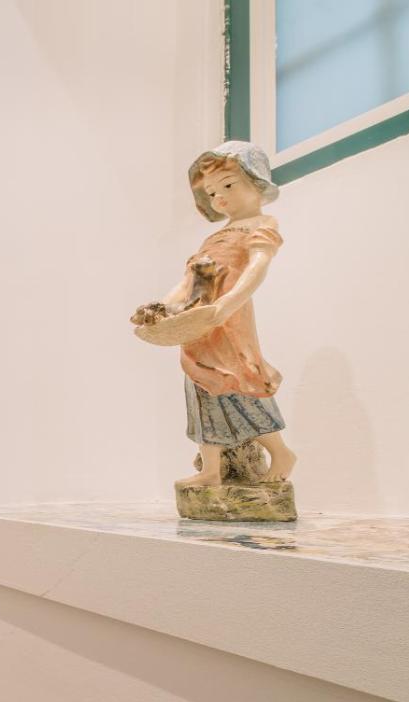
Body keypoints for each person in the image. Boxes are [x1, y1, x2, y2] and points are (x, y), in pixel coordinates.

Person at [163, 140, 298, 488]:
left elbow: (257, 268)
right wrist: (163, 308)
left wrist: (227, 304)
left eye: (227, 185)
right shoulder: (215, 237)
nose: (219, 197)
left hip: (229, 320)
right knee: (200, 386)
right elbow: (190, 280)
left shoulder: (261, 224)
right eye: (211, 192)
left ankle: (280, 452)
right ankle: (211, 469)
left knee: (239, 382)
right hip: (197, 322)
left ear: (256, 182)